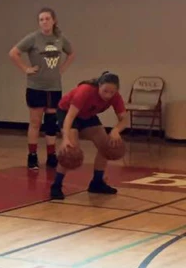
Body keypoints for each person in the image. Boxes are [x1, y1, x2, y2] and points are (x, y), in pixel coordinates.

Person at [9, 7, 75, 171]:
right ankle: (32, 155)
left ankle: (51, 155)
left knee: (51, 122)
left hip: (54, 87)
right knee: (36, 122)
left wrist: (62, 68)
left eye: (47, 19)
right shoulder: (33, 38)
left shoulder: (60, 38)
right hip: (36, 86)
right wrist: (26, 69)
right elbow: (14, 53)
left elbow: (71, 53)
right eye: (41, 19)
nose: (44, 22)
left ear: (53, 20)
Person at [50, 71, 128, 200]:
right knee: (71, 149)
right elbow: (70, 116)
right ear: (99, 86)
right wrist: (65, 138)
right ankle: (56, 185)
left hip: (87, 116)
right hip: (67, 113)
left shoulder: (116, 97)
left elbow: (124, 119)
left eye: (112, 92)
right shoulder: (85, 91)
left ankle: (97, 183)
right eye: (105, 91)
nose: (108, 95)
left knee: (106, 146)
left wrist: (115, 131)